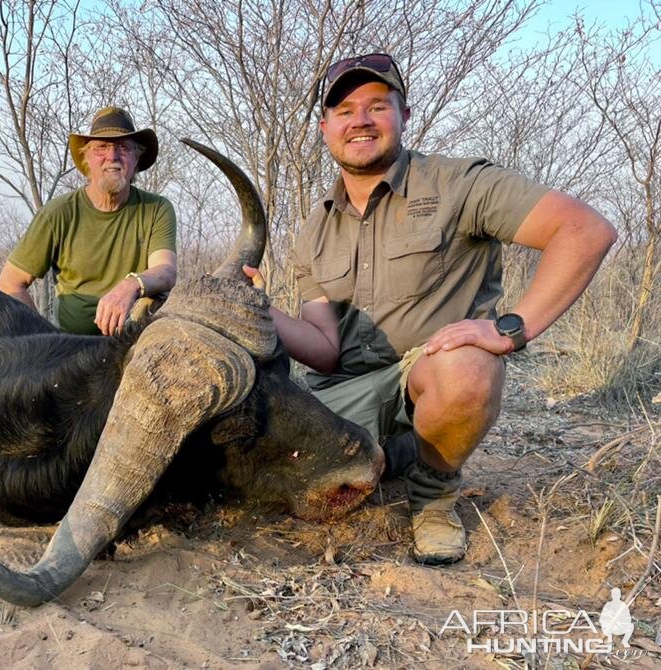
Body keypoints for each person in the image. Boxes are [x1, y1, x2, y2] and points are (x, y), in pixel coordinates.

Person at [245, 53, 616, 565]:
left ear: (404, 115)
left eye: (378, 106)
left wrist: (509, 330)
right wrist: (255, 307)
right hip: (344, 389)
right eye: (345, 110)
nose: (361, 121)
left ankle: (435, 496)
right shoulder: (316, 227)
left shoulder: (461, 184)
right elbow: (326, 352)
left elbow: (584, 230)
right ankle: (397, 452)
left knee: (466, 367)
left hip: (428, 373)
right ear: (325, 126)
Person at [0, 107, 177, 335]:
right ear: (86, 157)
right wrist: (47, 339)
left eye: (123, 147)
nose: (112, 156)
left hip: (136, 346)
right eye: (101, 147)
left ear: (136, 157)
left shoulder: (157, 209)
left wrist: (130, 285)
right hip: (72, 348)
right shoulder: (58, 213)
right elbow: (10, 284)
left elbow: (166, 270)